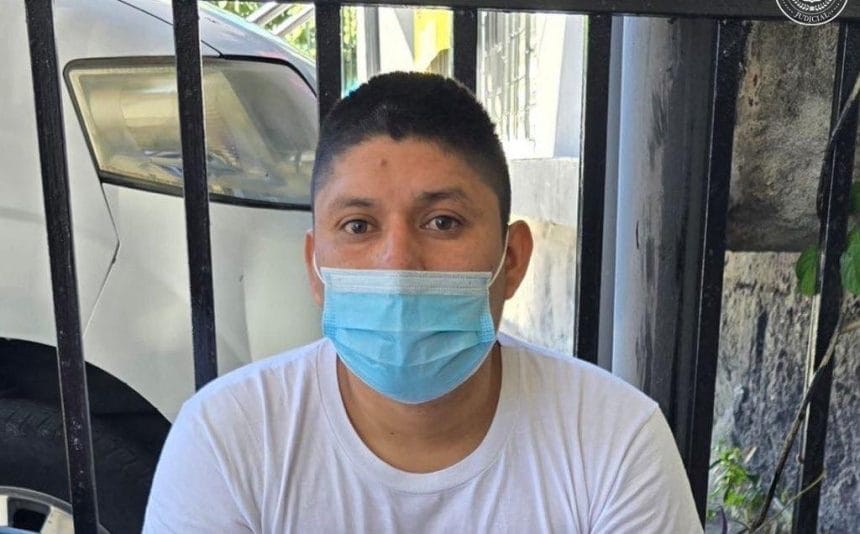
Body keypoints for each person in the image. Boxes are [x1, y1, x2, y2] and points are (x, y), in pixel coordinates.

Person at [143, 72, 701, 533]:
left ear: (511, 260)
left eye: (443, 222)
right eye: (358, 225)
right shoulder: (227, 440)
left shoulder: (615, 442)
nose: (397, 264)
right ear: (316, 268)